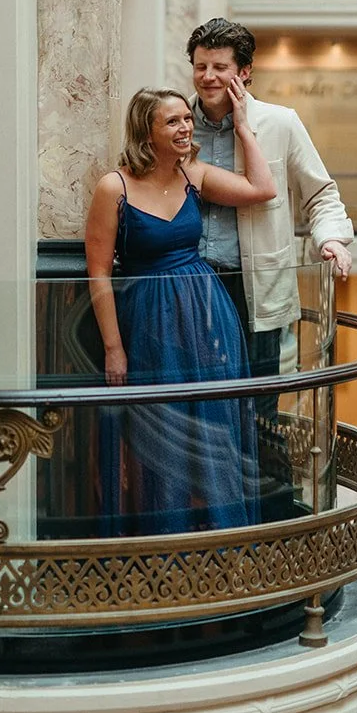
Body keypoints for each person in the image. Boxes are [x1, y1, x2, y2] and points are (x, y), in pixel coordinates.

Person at [85, 82, 276, 536]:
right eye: (173, 121)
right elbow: (97, 273)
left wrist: (244, 128)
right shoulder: (114, 187)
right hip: (147, 321)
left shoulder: (195, 174)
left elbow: (262, 188)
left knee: (210, 423)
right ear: (145, 131)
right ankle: (164, 545)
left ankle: (219, 539)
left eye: (187, 119)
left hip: (206, 318)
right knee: (159, 432)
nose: (186, 127)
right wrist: (114, 347)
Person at [186, 18, 353, 382]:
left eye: (220, 68)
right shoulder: (176, 124)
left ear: (244, 72)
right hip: (190, 285)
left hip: (255, 288)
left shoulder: (281, 123)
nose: (208, 77)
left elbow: (321, 195)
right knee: (195, 399)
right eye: (201, 67)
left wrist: (332, 239)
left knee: (259, 406)